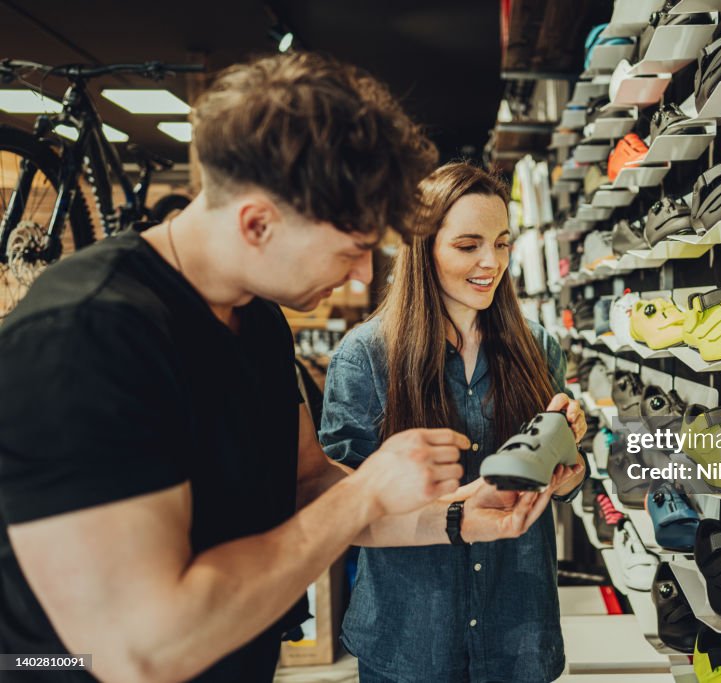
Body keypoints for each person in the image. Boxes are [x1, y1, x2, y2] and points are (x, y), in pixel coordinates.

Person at [0, 54, 559, 683]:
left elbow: (308, 485)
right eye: (350, 251)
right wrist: (368, 488)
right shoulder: (87, 336)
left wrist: (456, 515)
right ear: (257, 223)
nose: (357, 276)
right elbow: (144, 648)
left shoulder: (257, 319)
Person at [319, 161, 589, 683]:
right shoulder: (366, 356)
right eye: (469, 246)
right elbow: (341, 505)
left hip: (518, 632)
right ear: (425, 248)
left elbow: (566, 486)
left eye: (503, 243)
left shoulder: (538, 347)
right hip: (411, 637)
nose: (492, 262)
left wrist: (567, 465)